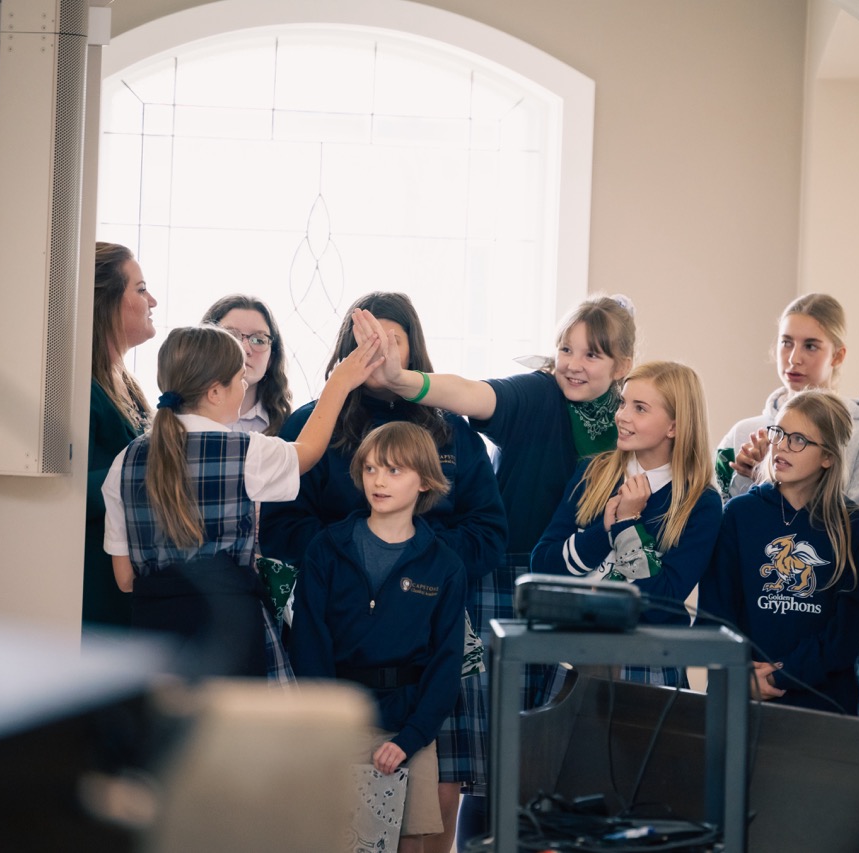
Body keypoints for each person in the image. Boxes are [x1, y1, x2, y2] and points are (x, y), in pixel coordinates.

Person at [354, 294, 636, 843]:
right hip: (504, 583)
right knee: (472, 754)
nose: (572, 364)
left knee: (548, 757)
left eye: (593, 355)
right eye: (564, 349)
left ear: (622, 366)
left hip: (584, 591)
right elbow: (470, 395)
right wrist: (404, 377)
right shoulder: (537, 394)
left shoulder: (630, 418)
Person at [260, 292, 506, 853]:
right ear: (348, 349)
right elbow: (280, 522)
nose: (379, 350)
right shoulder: (311, 421)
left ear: (412, 349)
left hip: (423, 649)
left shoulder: (451, 431)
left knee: (433, 801)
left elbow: (489, 532)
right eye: (366, 339)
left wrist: (414, 557)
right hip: (338, 633)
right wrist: (353, 549)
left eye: (392, 338)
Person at [102, 324, 382, 679]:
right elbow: (308, 452)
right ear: (215, 392)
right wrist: (340, 382)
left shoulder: (124, 462)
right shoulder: (246, 452)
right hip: (232, 632)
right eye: (240, 379)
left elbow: (125, 578)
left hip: (155, 641)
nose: (245, 386)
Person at [291, 422, 466, 849]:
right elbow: (309, 643)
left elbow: (446, 664)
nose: (378, 481)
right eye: (370, 469)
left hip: (409, 728)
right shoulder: (327, 548)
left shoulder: (444, 565)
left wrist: (410, 739)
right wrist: (329, 723)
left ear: (424, 479)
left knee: (410, 844)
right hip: (339, 721)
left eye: (393, 471)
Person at [531, 360, 723, 690]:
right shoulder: (592, 472)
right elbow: (543, 564)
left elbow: (661, 604)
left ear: (673, 427)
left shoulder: (700, 502)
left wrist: (626, 525)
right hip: (572, 655)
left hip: (649, 663)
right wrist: (603, 531)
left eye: (640, 408)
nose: (622, 415)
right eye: (623, 402)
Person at [699, 389, 859, 714]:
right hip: (739, 692)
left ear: (828, 457)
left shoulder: (855, 525)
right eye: (778, 433)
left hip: (821, 702)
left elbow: (850, 631)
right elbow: (715, 611)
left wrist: (783, 677)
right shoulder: (738, 514)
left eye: (798, 439)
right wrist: (741, 673)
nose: (781, 446)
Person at [715, 293, 859, 509]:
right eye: (786, 343)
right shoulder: (742, 433)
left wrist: (769, 479)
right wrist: (746, 479)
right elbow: (722, 522)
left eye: (810, 346)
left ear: (837, 356)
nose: (794, 359)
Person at [84, 242, 156, 631]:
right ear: (106, 302)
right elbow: (72, 491)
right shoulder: (78, 389)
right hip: (93, 592)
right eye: (141, 289)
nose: (153, 301)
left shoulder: (125, 384)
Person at [201, 294, 293, 435]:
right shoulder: (174, 421)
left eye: (258, 340)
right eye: (230, 336)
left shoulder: (290, 427)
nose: (245, 349)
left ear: (271, 359)